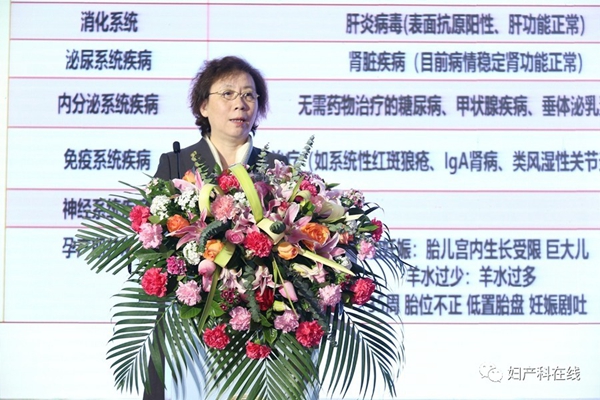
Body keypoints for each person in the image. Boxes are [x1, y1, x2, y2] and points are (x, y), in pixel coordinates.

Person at [145, 56, 289, 400]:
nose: (240, 103)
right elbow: (149, 245)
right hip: (189, 328)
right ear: (203, 106)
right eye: (228, 94)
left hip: (257, 331)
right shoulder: (175, 165)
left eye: (249, 95)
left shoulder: (277, 169)